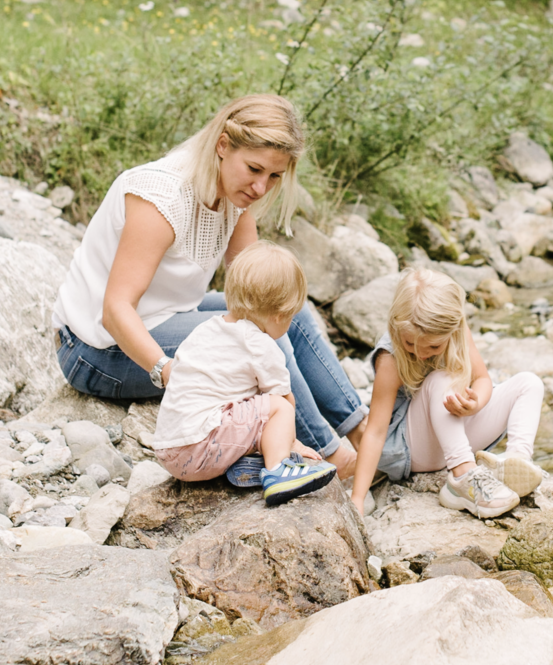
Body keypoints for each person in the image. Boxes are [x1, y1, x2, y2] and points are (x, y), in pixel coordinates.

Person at [51, 94, 368, 475]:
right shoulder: (161, 197)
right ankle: (329, 456)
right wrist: (172, 374)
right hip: (96, 350)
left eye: (274, 176)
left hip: (169, 317)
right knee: (262, 337)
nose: (260, 187)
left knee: (286, 313)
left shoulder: (236, 194)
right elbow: (115, 310)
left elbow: (257, 292)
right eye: (254, 168)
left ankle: (366, 435)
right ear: (222, 145)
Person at [349, 267, 546, 519]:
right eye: (410, 343)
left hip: (455, 435)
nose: (421, 353)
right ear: (396, 327)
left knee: (529, 383)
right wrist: (357, 498)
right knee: (440, 379)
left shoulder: (457, 332)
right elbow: (375, 431)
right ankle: (462, 477)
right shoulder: (391, 357)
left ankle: (516, 463)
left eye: (433, 346)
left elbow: (482, 379)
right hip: (414, 449)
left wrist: (475, 404)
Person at [151, 242, 338, 505]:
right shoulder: (259, 344)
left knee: (249, 411)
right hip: (200, 446)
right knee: (278, 407)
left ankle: (250, 465)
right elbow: (284, 402)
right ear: (279, 316)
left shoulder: (206, 329)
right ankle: (278, 470)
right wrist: (292, 443)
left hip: (170, 451)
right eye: (290, 317)